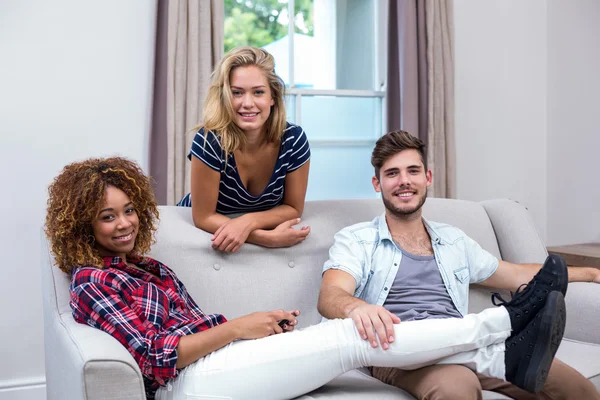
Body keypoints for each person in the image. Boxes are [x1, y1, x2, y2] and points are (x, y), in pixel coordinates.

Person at [45, 157, 567, 400]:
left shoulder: (151, 268)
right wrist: (238, 328)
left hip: (222, 363)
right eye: (108, 216)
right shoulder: (93, 282)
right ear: (84, 225)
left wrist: (259, 326)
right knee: (347, 335)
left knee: (345, 340)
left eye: (129, 210)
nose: (125, 223)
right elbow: (156, 358)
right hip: (189, 385)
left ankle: (499, 353)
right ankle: (501, 325)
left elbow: (196, 329)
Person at [317, 130, 600, 400]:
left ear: (427, 177)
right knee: (457, 388)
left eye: (413, 171)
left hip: (462, 340)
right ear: (377, 184)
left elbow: (514, 274)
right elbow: (330, 295)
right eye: (392, 173)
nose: (404, 181)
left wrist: (590, 273)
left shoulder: (453, 240)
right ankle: (508, 322)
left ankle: (504, 329)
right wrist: (357, 307)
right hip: (400, 350)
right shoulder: (357, 239)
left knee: (574, 387)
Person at [177, 46, 311, 253]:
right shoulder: (209, 141)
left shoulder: (293, 139)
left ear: (272, 97)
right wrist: (265, 238)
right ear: (224, 97)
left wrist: (247, 222)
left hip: (235, 230)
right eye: (237, 93)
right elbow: (203, 217)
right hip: (197, 235)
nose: (247, 103)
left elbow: (293, 208)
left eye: (258, 92)